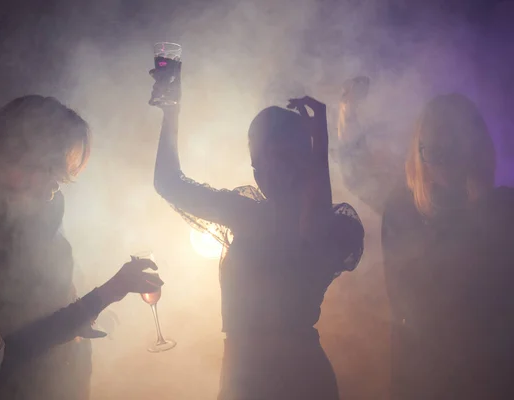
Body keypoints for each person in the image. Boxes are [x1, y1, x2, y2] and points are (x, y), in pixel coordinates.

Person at [151, 69, 365, 398]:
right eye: (255, 161)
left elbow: (312, 232)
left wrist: (319, 141)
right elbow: (168, 183)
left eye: (273, 157)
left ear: (301, 160)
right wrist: (172, 110)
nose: (260, 171)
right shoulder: (247, 213)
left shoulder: (335, 226)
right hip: (242, 377)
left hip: (298, 380)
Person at [0, 95, 164, 400]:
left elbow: (53, 289)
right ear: (9, 157)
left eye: (61, 170)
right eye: (48, 167)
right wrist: (107, 293)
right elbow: (25, 339)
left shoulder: (46, 205)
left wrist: (90, 314)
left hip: (72, 380)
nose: (57, 183)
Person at [337, 80, 514, 399]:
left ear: (476, 148)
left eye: (455, 147)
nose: (445, 161)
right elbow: (358, 171)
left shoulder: (503, 211)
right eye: (435, 150)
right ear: (420, 152)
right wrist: (348, 109)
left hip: (488, 375)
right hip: (418, 374)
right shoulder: (404, 208)